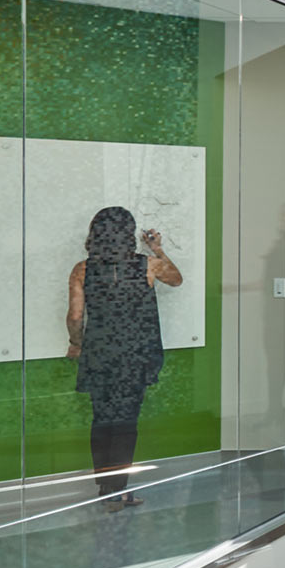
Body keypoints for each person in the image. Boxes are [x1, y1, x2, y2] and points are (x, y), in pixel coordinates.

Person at [66, 207, 181, 508]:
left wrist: (75, 344)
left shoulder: (83, 269)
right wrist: (157, 248)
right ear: (128, 234)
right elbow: (177, 279)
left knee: (102, 419)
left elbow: (76, 316)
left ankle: (106, 488)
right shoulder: (149, 266)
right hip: (135, 354)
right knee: (126, 421)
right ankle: (118, 491)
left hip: (99, 354)